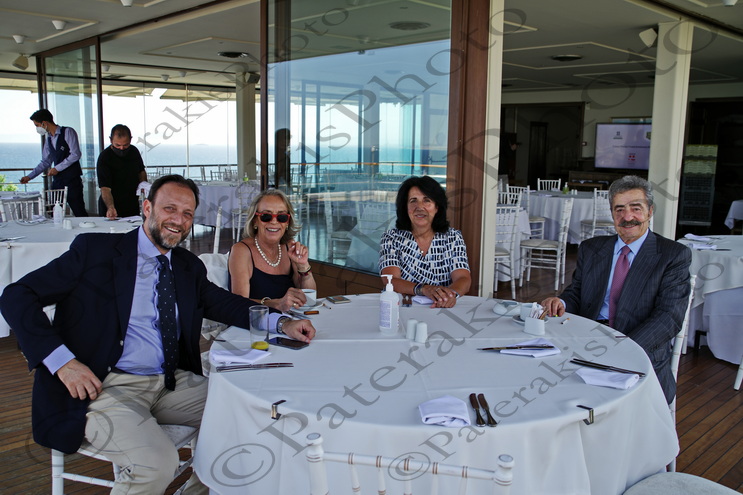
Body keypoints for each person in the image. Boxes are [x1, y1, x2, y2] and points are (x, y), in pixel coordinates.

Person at [0, 175, 315, 495]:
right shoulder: (95, 252)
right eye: (170, 208)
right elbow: (16, 296)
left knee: (251, 415)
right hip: (102, 387)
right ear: (147, 208)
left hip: (169, 382)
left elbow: (225, 304)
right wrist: (62, 363)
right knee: (158, 463)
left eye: (187, 213)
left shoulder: (187, 266)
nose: (179, 220)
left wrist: (281, 323)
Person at [541, 175, 691, 404]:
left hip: (639, 347)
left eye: (636, 208)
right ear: (612, 213)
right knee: (544, 385)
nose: (627, 217)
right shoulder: (592, 248)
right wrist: (561, 302)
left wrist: (623, 348)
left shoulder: (672, 255)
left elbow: (668, 318)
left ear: (650, 211)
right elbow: (577, 292)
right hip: (585, 342)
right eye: (619, 209)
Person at [379, 175, 471, 308]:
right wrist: (424, 289)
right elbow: (390, 280)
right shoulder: (391, 238)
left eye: (427, 200)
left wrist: (448, 296)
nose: (419, 207)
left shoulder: (453, 237)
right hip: (403, 308)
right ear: (405, 207)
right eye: (413, 201)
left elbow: (463, 279)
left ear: (437, 207)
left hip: (441, 308)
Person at [229, 189, 316, 312]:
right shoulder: (242, 251)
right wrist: (276, 304)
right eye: (266, 216)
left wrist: (303, 266)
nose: (274, 221)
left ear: (287, 222)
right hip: (257, 321)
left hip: (292, 319)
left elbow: (310, 299)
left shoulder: (289, 247)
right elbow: (238, 303)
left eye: (281, 217)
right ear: (255, 220)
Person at [21, 109, 88, 217]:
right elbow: (46, 161)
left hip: (72, 180)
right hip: (58, 181)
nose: (37, 128)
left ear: (44, 123)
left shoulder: (68, 132)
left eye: (37, 125)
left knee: (78, 211)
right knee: (55, 213)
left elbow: (75, 154)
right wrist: (29, 177)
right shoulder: (49, 139)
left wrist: (57, 168)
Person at [97, 124, 147, 218]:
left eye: (126, 145)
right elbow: (105, 188)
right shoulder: (105, 157)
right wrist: (110, 207)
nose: (121, 148)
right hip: (111, 204)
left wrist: (144, 183)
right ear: (111, 140)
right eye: (117, 145)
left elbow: (141, 171)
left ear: (130, 140)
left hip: (132, 203)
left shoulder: (134, 151)